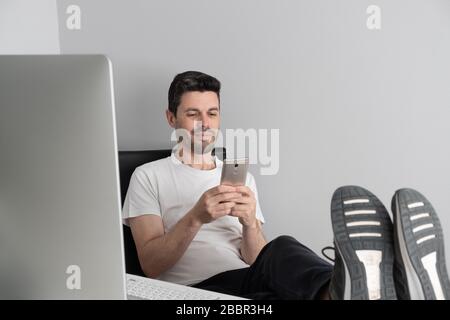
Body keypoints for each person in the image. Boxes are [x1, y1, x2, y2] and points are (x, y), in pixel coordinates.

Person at [122, 71, 450, 300]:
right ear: (171, 118)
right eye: (193, 113)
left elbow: (255, 258)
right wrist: (195, 217)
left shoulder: (238, 176)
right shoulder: (149, 176)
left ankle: (358, 289)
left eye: (213, 113)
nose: (205, 123)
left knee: (276, 266)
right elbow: (150, 266)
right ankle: (364, 284)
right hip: (194, 289)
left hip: (249, 281)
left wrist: (249, 222)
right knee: (281, 250)